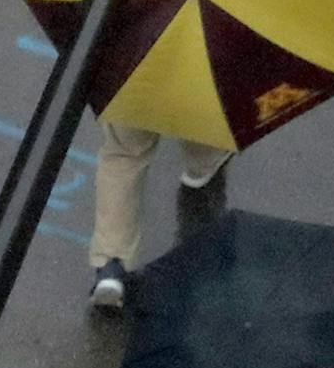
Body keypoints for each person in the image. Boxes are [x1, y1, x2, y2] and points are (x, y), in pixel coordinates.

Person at [87, 122, 232, 308]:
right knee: (203, 117)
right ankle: (203, 165)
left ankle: (111, 265)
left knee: (124, 153)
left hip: (135, 95)